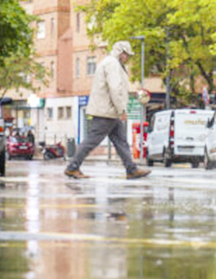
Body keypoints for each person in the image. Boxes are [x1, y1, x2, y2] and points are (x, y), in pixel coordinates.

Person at [65, 41, 152, 180]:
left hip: (108, 111)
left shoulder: (110, 63)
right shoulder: (113, 64)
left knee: (120, 141)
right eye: (126, 54)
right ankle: (72, 167)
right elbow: (115, 88)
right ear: (121, 52)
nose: (127, 57)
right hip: (106, 112)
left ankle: (131, 169)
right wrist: (121, 109)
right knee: (92, 140)